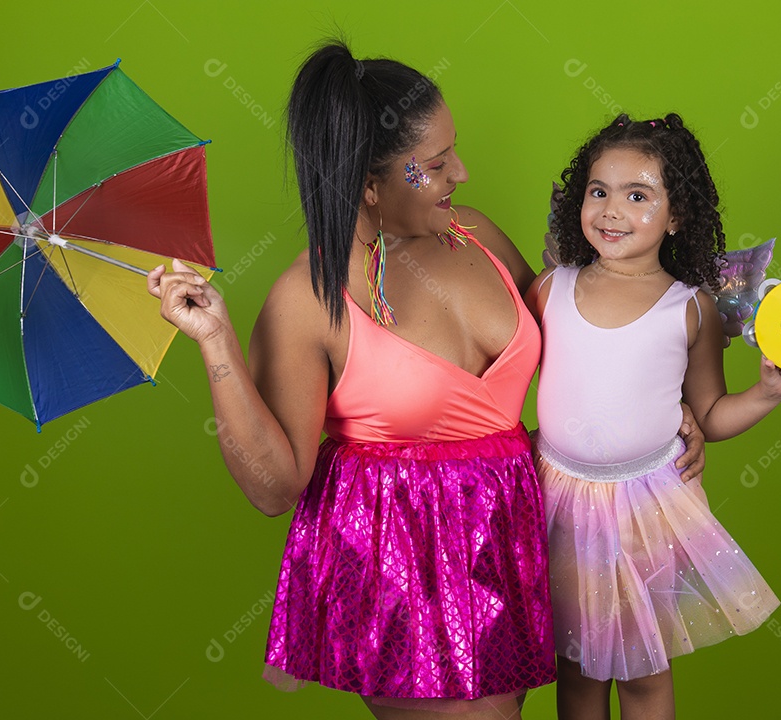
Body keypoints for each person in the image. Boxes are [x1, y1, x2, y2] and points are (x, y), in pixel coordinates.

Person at [147, 43, 702, 718]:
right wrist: (216, 343)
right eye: (436, 165)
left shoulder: (475, 236)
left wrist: (670, 407)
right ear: (370, 185)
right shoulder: (309, 298)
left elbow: (583, 340)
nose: (460, 174)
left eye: (452, 153)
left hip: (511, 537)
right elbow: (274, 486)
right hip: (403, 563)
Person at [526, 113, 781, 720]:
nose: (612, 210)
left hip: (645, 509)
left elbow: (711, 413)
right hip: (558, 503)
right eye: (598, 191)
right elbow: (507, 375)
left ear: (677, 217)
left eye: (638, 195)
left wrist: (768, 394)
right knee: (573, 668)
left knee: (644, 666)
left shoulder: (691, 308)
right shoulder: (550, 288)